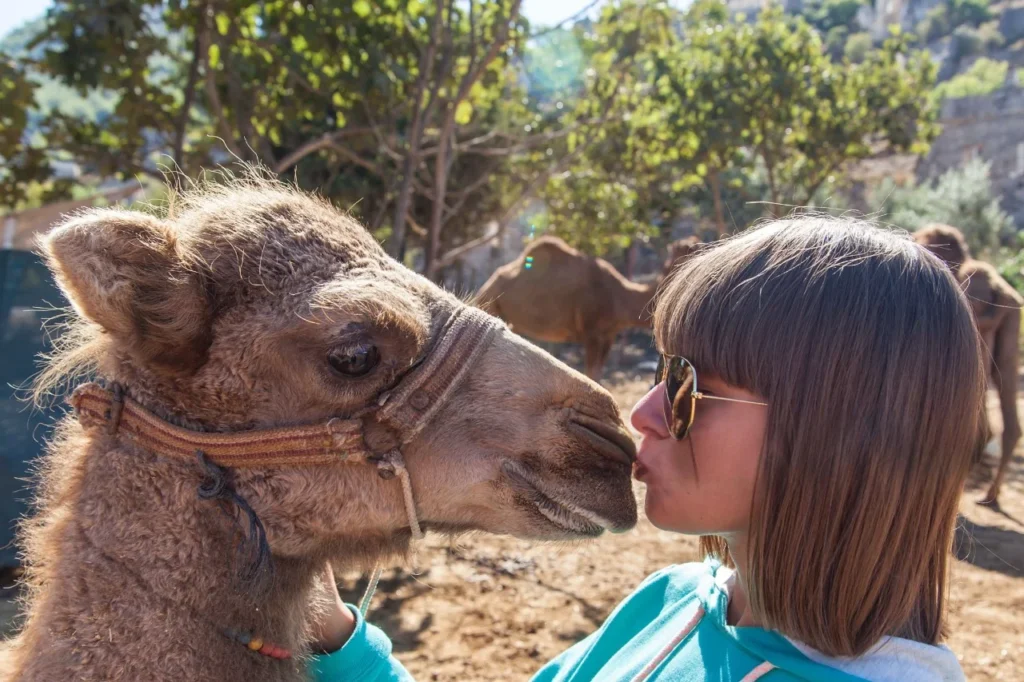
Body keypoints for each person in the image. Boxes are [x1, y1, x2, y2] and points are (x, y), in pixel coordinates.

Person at [307, 217, 984, 681]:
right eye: (661, 373)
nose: (642, 412)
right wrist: (334, 632)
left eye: (687, 387)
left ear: (834, 432)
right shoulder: (677, 600)